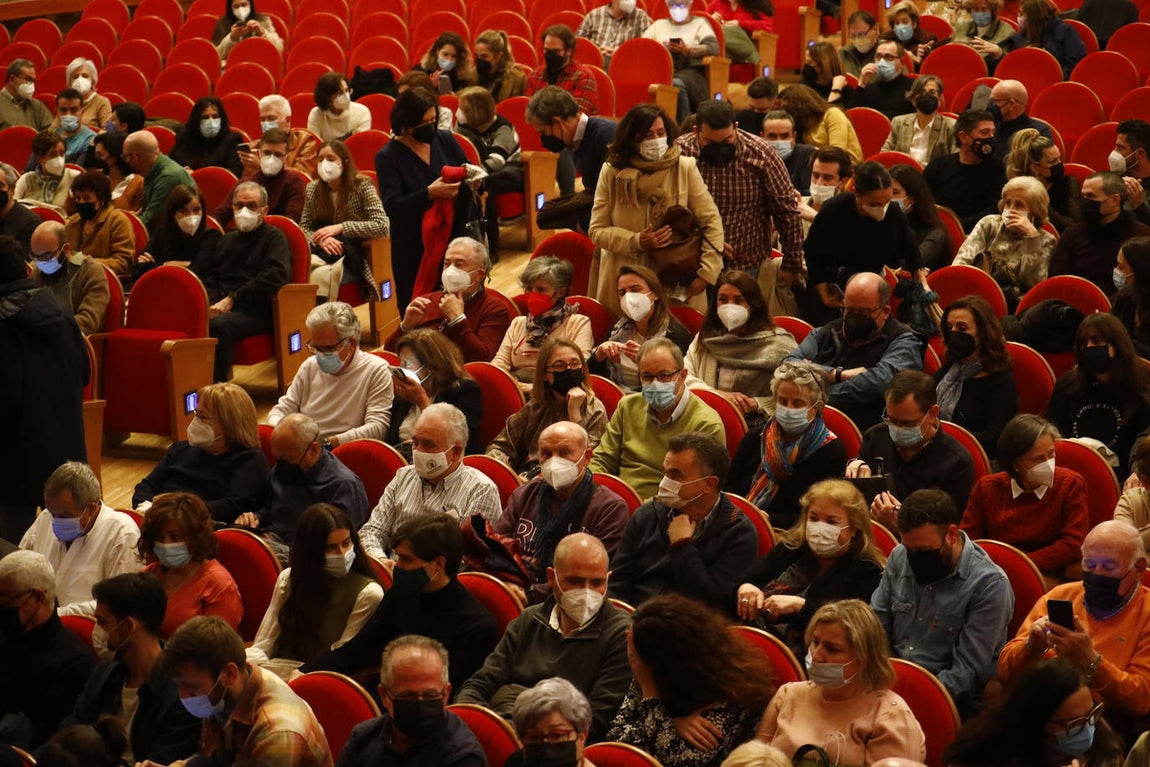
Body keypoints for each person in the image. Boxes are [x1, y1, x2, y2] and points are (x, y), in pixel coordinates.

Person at [456, 533, 632, 740]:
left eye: (597, 583)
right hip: (502, 735)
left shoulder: (622, 635)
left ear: (608, 580)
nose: (587, 593)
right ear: (551, 577)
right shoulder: (530, 619)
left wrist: (509, 698)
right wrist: (486, 728)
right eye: (575, 581)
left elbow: (594, 724)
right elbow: (479, 684)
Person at [302, 514, 498, 692]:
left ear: (439, 564)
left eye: (406, 559)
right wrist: (304, 673)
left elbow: (445, 690)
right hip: (385, 691)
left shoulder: (477, 627)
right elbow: (358, 650)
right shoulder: (402, 594)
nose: (397, 565)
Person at [871, 488, 1013, 714]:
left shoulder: (989, 585)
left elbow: (966, 673)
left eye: (924, 550)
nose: (915, 558)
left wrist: (906, 700)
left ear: (952, 534)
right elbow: (876, 628)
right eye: (910, 549)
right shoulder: (900, 556)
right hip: (888, 689)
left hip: (948, 702)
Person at [997, 520, 1150, 728]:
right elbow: (1005, 672)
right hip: (1039, 710)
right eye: (1089, 564)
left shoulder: (1146, 613)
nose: (1097, 574)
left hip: (1102, 721)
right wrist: (1030, 647)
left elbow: (1141, 699)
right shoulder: (1061, 596)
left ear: (1139, 568)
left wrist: (1091, 662)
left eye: (1109, 567)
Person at [588, 103, 724, 315]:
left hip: (674, 282)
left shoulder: (684, 167)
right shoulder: (611, 172)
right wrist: (636, 241)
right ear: (632, 139)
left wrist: (707, 274)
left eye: (660, 133)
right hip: (625, 283)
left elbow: (711, 223)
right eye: (647, 135)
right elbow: (597, 231)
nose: (655, 140)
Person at [610, 594, 776, 766]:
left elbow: (681, 762)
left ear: (664, 661)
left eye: (635, 650)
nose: (629, 644)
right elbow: (617, 738)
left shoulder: (730, 688)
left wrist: (649, 692)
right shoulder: (649, 668)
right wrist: (672, 722)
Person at [756, 599, 927, 765]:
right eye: (816, 642)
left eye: (832, 649)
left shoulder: (889, 718)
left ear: (864, 658)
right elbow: (755, 761)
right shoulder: (788, 695)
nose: (816, 656)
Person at [0, 234, 88, 542]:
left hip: (15, 459)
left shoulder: (4, 324)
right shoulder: (62, 312)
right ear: (26, 270)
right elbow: (86, 371)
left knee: (12, 560)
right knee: (72, 546)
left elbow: (6, 396)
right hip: (67, 445)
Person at [736, 481, 885, 660]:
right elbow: (747, 579)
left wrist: (802, 607)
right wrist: (747, 587)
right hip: (754, 641)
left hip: (815, 659)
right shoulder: (791, 548)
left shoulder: (866, 571)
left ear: (854, 528)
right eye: (813, 518)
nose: (820, 527)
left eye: (831, 521)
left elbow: (852, 629)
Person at [64, 572, 202, 764]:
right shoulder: (103, 674)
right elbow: (68, 737)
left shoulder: (184, 695)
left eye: (102, 622)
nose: (97, 630)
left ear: (128, 626)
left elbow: (160, 761)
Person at [609, 432, 758, 609]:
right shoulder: (647, 515)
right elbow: (616, 585)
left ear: (708, 485)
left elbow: (713, 604)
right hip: (632, 620)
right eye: (665, 473)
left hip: (691, 630)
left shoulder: (738, 533)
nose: (665, 482)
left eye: (675, 475)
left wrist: (682, 546)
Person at [160, 615, 333, 766]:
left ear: (229, 674)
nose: (183, 696)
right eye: (179, 685)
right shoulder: (229, 688)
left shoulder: (277, 733)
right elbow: (213, 761)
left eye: (191, 687)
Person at [493, 420, 629, 602]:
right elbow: (496, 549)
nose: (554, 461)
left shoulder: (609, 508)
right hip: (514, 591)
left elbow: (589, 580)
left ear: (587, 457)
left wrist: (530, 594)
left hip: (569, 601)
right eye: (546, 454)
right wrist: (508, 586)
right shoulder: (525, 494)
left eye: (564, 453)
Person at [676, 99, 804, 280]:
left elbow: (787, 212)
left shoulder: (762, 154)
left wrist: (792, 265)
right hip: (694, 263)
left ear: (735, 127)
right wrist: (707, 239)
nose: (720, 148)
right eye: (710, 142)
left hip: (748, 264)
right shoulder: (680, 152)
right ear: (696, 131)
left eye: (728, 139)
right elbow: (669, 209)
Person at [590, 338, 726, 500]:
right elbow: (602, 459)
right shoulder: (628, 406)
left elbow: (693, 491)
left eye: (664, 376)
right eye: (647, 377)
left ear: (682, 376)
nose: (655, 384)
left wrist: (636, 511)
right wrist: (591, 490)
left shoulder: (705, 424)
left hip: (665, 511)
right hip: (614, 501)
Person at [360, 404, 501, 559]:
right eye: (415, 442)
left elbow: (471, 560)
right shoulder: (403, 477)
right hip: (391, 569)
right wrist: (381, 561)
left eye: (428, 445)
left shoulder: (481, 490)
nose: (418, 451)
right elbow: (372, 531)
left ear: (456, 452)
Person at [247, 504, 382, 666]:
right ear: (311, 551)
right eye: (331, 548)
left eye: (346, 543)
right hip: (278, 670)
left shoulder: (369, 593)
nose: (342, 554)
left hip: (321, 676)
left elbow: (341, 659)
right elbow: (264, 644)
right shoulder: (289, 579)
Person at [786, 272, 922, 431]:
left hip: (867, 429)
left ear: (885, 311)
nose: (855, 317)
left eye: (864, 313)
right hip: (807, 422)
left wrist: (808, 395)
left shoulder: (903, 341)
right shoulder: (825, 332)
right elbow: (787, 366)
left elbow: (875, 384)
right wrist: (837, 374)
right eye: (849, 310)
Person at [962, 415, 1088, 583]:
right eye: (1038, 459)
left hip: (1049, 571)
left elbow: (1073, 544)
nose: (1048, 463)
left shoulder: (1070, 484)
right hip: (994, 572)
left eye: (1051, 454)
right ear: (1015, 463)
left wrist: (1021, 565)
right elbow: (969, 541)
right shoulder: (987, 487)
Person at [376, 87, 470, 311]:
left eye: (433, 119)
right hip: (413, 246)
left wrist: (474, 180)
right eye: (422, 122)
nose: (429, 126)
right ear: (406, 124)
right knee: (418, 307)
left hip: (453, 234)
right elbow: (393, 206)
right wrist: (429, 193)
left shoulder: (445, 139)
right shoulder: (388, 156)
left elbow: (468, 170)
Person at [849, 370, 976, 530]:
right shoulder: (875, 437)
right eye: (891, 420)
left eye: (907, 424)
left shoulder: (957, 463)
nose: (897, 429)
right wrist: (855, 473)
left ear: (932, 414)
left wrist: (904, 527)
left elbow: (948, 534)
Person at [192, 180, 291, 382]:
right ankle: (188, 389)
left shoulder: (274, 237)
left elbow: (275, 276)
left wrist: (232, 299)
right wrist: (211, 303)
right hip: (225, 306)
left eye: (252, 206)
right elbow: (213, 276)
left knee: (218, 326)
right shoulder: (226, 239)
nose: (244, 210)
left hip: (259, 309)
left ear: (264, 210)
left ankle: (218, 392)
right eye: (239, 205)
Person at [728, 361, 847, 528]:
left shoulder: (831, 451)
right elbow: (729, 490)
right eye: (782, 401)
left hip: (790, 535)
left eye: (797, 403)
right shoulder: (756, 436)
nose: (788, 408)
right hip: (739, 523)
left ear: (817, 407)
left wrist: (768, 519)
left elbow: (818, 516)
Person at [337, 635, 485, 767]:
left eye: (430, 695)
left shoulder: (463, 757)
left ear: (446, 695)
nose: (420, 704)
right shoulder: (363, 737)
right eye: (408, 696)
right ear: (383, 695)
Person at [945, 658, 1124, 767]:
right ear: (1035, 722)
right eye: (1072, 724)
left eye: (1091, 715)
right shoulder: (984, 753)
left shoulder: (1104, 749)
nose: (1087, 729)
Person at [804, 162, 922, 325]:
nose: (882, 209)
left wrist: (923, 287)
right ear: (857, 194)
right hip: (831, 286)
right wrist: (825, 295)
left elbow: (913, 254)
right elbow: (812, 253)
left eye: (886, 202)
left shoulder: (893, 213)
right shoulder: (834, 210)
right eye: (874, 204)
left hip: (870, 290)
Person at [0, 550, 95, 750]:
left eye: (7, 601)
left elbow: (46, 739)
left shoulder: (74, 662)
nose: (2, 608)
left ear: (38, 598)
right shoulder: (7, 634)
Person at [20, 461, 141, 616]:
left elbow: (119, 603)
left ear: (91, 509)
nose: (55, 522)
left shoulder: (122, 534)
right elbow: (19, 561)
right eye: (52, 513)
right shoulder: (46, 518)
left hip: (88, 633)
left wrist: (55, 615)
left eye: (64, 516)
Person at [266, 302, 394, 447]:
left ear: (350, 343)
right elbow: (281, 409)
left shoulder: (376, 370)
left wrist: (327, 443)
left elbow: (378, 429)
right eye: (315, 347)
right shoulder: (310, 365)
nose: (320, 355)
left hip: (344, 453)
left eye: (327, 348)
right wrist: (280, 429)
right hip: (304, 448)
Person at [236, 414, 369, 551]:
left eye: (287, 460)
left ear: (313, 450)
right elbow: (270, 507)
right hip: (271, 539)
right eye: (278, 459)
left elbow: (339, 548)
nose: (280, 466)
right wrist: (256, 517)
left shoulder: (343, 486)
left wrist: (275, 548)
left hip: (305, 558)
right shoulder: (286, 463)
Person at [1047, 312, 1150, 478]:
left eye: (1096, 341)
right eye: (1083, 343)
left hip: (1124, 480)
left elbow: (1142, 451)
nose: (1089, 348)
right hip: (1069, 473)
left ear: (1116, 346)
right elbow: (1053, 432)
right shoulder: (1067, 386)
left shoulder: (1140, 392)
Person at [489, 338, 607, 475]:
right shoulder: (537, 404)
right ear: (545, 375)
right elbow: (501, 445)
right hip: (527, 476)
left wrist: (574, 415)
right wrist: (507, 474)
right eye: (559, 366)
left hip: (563, 480)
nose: (569, 370)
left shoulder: (595, 410)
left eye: (575, 364)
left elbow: (582, 463)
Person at [685, 270, 797, 413]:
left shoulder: (778, 345)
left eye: (738, 300)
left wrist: (757, 404)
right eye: (723, 300)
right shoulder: (706, 338)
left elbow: (797, 392)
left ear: (752, 304)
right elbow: (685, 376)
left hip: (758, 422)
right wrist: (719, 396)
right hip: (707, 413)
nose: (729, 306)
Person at [384, 236, 511, 362]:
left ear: (479, 274)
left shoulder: (495, 309)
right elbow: (389, 354)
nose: (450, 270)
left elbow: (482, 360)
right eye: (447, 263)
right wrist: (405, 327)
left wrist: (457, 320)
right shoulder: (426, 302)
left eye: (459, 264)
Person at [137, 493, 243, 637]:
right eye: (160, 538)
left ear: (195, 537)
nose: (166, 544)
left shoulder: (218, 585)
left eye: (174, 537)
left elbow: (218, 650)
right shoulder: (148, 575)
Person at [298, 139, 388, 300]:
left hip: (353, 255)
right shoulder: (312, 189)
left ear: (344, 163)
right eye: (320, 159)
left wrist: (342, 227)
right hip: (321, 253)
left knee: (329, 279)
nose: (325, 163)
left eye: (331, 159)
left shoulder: (362, 185)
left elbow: (382, 225)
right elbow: (303, 228)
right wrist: (320, 240)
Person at [492, 256, 594, 391]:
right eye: (529, 288)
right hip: (515, 389)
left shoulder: (578, 324)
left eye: (540, 290)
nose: (533, 295)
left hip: (556, 394)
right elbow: (499, 363)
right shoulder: (518, 323)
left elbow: (578, 370)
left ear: (560, 292)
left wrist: (531, 389)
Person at [935, 296, 1019, 459]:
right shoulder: (950, 369)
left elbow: (997, 438)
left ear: (982, 333)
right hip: (939, 452)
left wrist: (943, 436)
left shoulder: (1000, 381)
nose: (954, 334)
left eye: (962, 328)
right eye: (949, 327)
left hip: (976, 458)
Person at [953, 176, 1056, 309]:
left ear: (1034, 212)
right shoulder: (989, 224)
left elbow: (1031, 284)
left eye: (1019, 205)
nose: (1011, 209)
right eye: (1008, 203)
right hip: (975, 296)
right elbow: (962, 262)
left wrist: (1031, 238)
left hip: (1014, 307)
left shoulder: (1046, 240)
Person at [526, 85, 617, 231]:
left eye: (543, 132)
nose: (543, 139)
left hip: (615, 208)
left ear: (557, 122)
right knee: (546, 212)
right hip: (597, 199)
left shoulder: (605, 135)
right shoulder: (575, 140)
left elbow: (614, 193)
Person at [591, 264, 693, 391]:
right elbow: (592, 376)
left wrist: (648, 362)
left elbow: (675, 386)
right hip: (614, 395)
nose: (628, 298)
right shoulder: (617, 329)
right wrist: (599, 356)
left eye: (635, 290)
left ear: (655, 294)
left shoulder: (676, 335)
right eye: (622, 293)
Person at [1050, 171, 1150, 298]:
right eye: (1084, 196)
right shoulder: (1073, 233)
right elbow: (1056, 279)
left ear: (1114, 200)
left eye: (1091, 196)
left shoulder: (1140, 236)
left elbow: (1142, 286)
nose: (1085, 202)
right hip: (1074, 304)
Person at [387, 328, 482, 458]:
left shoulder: (465, 391)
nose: (402, 371)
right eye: (400, 364)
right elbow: (390, 442)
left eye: (407, 364)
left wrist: (422, 402)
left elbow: (458, 444)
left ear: (430, 368)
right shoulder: (403, 397)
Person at [454, 85, 521, 252]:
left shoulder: (502, 127)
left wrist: (473, 175)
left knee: (484, 185)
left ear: (478, 110)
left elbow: (497, 160)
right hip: (479, 170)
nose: (459, 112)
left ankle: (491, 247)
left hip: (510, 170)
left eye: (465, 109)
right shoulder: (464, 126)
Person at [924, 109, 1006, 232]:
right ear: (963, 137)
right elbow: (924, 202)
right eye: (984, 133)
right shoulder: (938, 166)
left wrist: (956, 226)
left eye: (993, 132)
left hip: (979, 233)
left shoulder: (998, 168)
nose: (991, 138)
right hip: (938, 230)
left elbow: (995, 209)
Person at [210, 127, 307, 228]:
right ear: (259, 153)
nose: (271, 159)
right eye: (267, 153)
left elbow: (291, 223)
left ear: (286, 157)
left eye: (278, 155)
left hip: (278, 239)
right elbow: (220, 215)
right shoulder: (246, 182)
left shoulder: (294, 181)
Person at [29, 219, 109, 335]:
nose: (40, 262)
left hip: (72, 343)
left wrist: (47, 327)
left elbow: (88, 322)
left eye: (46, 255)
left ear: (65, 249)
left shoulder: (90, 271)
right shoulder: (38, 271)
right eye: (35, 256)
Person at [642, 2, 720, 120]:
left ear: (689, 6)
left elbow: (713, 48)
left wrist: (688, 50)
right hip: (661, 70)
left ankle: (684, 124)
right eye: (673, 5)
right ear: (668, 7)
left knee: (676, 84)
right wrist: (663, 48)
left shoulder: (699, 23)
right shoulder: (658, 25)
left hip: (690, 70)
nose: (677, 9)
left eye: (682, 5)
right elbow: (642, 46)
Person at [504, 678, 598, 767]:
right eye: (534, 737)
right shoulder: (516, 762)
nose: (546, 750)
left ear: (581, 738)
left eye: (557, 735)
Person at [136, 184, 221, 281]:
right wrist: (169, 264)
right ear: (173, 213)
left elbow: (195, 272)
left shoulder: (211, 236)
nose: (191, 216)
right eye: (183, 211)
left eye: (196, 210)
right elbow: (139, 269)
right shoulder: (162, 233)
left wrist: (157, 265)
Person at [63, 170, 135, 278]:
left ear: (101, 200)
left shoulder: (118, 221)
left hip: (103, 281)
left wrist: (83, 261)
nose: (81, 202)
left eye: (87, 198)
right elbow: (63, 254)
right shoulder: (73, 221)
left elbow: (123, 263)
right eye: (78, 198)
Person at [1006, 127, 1079, 233]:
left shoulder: (1069, 183)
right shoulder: (1018, 189)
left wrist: (1040, 203)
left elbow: (1074, 226)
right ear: (1035, 168)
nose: (1059, 164)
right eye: (1052, 162)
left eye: (1059, 159)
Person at [122, 129, 195, 234]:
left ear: (135, 157)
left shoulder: (168, 177)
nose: (126, 162)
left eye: (126, 157)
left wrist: (123, 223)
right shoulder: (153, 172)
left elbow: (150, 222)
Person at [995, 0, 1087, 79]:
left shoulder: (1065, 32)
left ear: (1033, 17)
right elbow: (1012, 64)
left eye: (1022, 14)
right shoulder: (1019, 37)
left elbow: (1074, 65)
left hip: (1056, 83)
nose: (1018, 18)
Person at [238, 94, 321, 177]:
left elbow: (300, 179)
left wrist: (262, 166)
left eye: (271, 118)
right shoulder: (254, 147)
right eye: (262, 119)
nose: (266, 123)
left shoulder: (305, 141)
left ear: (287, 120)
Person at [777, 84, 864, 163]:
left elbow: (837, 153)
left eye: (787, 108)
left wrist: (810, 152)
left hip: (847, 168)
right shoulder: (803, 127)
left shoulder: (832, 114)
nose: (785, 113)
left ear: (799, 106)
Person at [881, 76, 955, 167]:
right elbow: (884, 156)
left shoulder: (951, 126)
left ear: (939, 100)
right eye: (922, 92)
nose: (927, 96)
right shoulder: (899, 122)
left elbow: (953, 164)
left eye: (932, 92)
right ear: (913, 100)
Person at [526, 25, 599, 116]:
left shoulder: (583, 77)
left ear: (568, 51)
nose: (550, 55)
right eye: (546, 50)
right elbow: (528, 112)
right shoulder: (535, 75)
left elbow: (574, 116)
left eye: (556, 51)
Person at [890, 164, 950, 270]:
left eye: (895, 192)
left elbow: (910, 265)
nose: (888, 197)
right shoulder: (881, 221)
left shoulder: (935, 233)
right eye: (886, 191)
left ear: (912, 199)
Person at [169, 97, 244, 176]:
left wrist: (197, 175)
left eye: (215, 117)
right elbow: (171, 165)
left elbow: (233, 173)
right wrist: (181, 172)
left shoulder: (232, 140)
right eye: (205, 117)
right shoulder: (185, 137)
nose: (211, 121)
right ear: (197, 120)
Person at [987, 80, 1053, 161]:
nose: (991, 105)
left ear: (1011, 104)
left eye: (995, 101)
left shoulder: (1038, 132)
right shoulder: (991, 128)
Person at [15, 130, 79, 213]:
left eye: (62, 153)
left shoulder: (74, 177)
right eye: (52, 154)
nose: (59, 158)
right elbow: (13, 208)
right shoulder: (26, 179)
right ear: (40, 159)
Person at [855, 40, 916, 120]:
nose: (882, 62)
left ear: (901, 62)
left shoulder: (914, 87)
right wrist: (861, 84)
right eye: (878, 56)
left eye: (889, 57)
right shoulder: (869, 89)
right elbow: (855, 118)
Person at [797, 146, 855, 230]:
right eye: (815, 175)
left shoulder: (851, 214)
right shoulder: (796, 206)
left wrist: (816, 218)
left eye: (827, 178)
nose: (819, 183)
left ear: (843, 182)